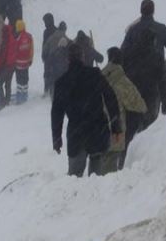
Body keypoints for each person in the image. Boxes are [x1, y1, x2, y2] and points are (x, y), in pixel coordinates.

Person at [51, 43, 121, 177]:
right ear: (83, 57)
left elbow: (56, 113)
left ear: (68, 59)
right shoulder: (95, 75)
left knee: (74, 178)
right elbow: (111, 99)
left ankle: (75, 196)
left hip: (76, 134)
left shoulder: (62, 82)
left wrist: (56, 139)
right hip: (98, 132)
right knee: (97, 179)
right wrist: (116, 126)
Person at [101, 47, 147, 173]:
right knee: (109, 165)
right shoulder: (121, 81)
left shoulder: (98, 76)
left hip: (96, 128)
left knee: (97, 162)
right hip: (114, 128)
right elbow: (137, 104)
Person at [123, 29, 166, 130]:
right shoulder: (157, 57)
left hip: (133, 95)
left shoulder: (129, 55)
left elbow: (123, 75)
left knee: (132, 127)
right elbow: (163, 82)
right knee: (148, 129)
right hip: (151, 97)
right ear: (153, 41)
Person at [45, 21, 71, 99]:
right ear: (65, 29)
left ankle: (50, 93)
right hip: (62, 69)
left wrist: (45, 57)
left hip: (53, 64)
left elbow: (45, 48)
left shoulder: (52, 37)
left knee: (53, 79)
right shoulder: (65, 38)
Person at [0, 24, 18, 108]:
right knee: (8, 84)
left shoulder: (5, 40)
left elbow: (3, 56)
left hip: (6, 66)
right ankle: (7, 99)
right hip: (13, 65)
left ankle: (2, 101)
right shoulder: (13, 39)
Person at [13, 19, 34, 104]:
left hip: (18, 63)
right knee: (25, 79)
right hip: (26, 63)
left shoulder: (17, 38)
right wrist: (30, 59)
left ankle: (19, 95)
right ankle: (25, 94)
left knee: (19, 80)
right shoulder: (29, 36)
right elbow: (31, 49)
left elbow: (15, 50)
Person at [41, 13, 57, 97]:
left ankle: (49, 90)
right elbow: (44, 44)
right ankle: (48, 90)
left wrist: (43, 55)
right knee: (49, 73)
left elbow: (45, 45)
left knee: (49, 73)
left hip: (51, 56)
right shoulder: (51, 31)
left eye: (45, 21)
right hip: (51, 56)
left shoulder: (48, 32)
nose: (44, 23)